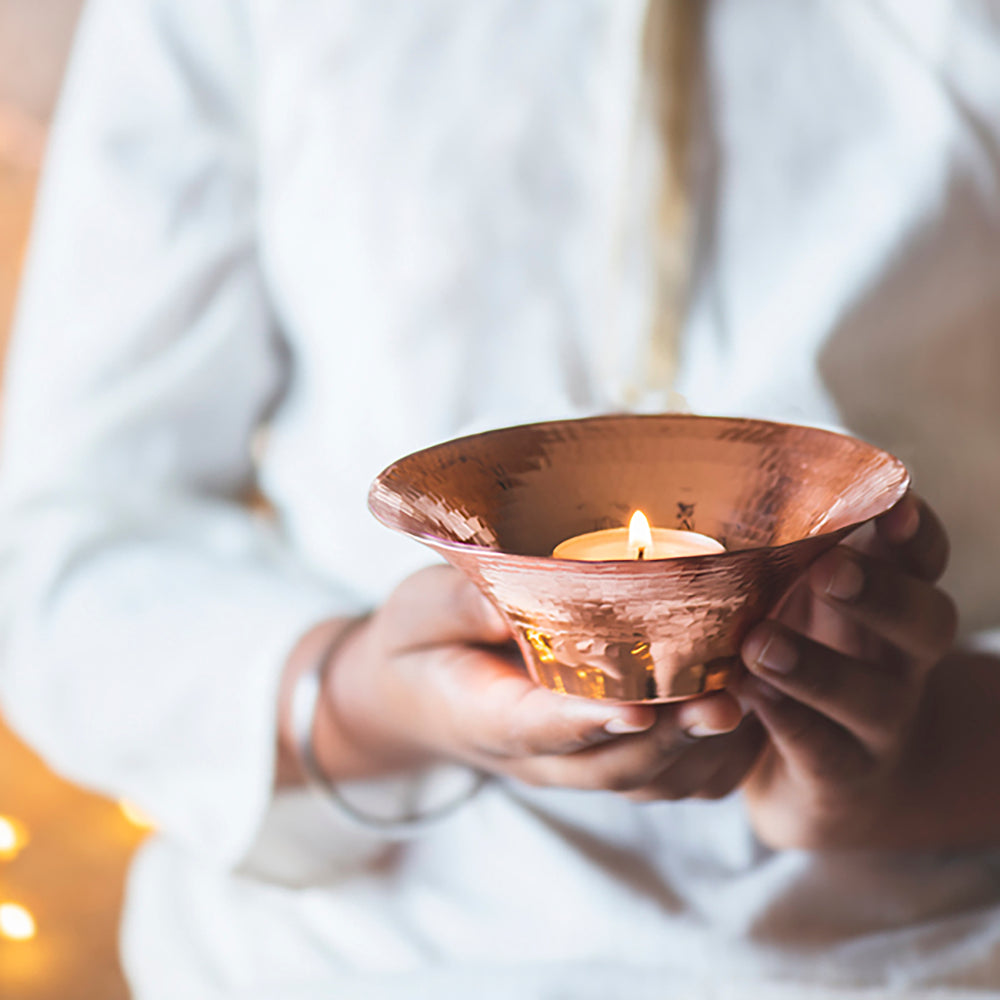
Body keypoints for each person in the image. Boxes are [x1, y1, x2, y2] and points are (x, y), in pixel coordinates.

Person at [2, 0, 1000, 996]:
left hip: (913, 951)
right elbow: (60, 549)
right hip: (350, 953)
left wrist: (918, 757)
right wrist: (368, 696)